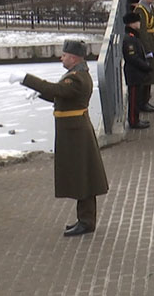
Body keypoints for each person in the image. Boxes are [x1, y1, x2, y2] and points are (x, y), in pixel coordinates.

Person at [10, 40, 109, 237]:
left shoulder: (77, 78)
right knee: (82, 175)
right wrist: (39, 94)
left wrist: (26, 78)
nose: (61, 57)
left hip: (75, 133)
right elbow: (62, 96)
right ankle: (85, 219)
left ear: (73, 58)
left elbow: (58, 90)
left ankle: (86, 221)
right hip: (74, 131)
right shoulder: (76, 75)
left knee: (82, 176)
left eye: (63, 55)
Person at [133, 0, 154, 113]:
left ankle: (146, 100)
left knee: (151, 72)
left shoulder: (150, 7)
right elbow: (143, 31)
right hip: (148, 42)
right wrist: (147, 49)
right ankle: (142, 102)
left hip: (153, 40)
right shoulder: (141, 10)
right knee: (146, 73)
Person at [121, 12, 151, 129]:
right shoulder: (129, 39)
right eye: (137, 21)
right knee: (133, 98)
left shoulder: (133, 36)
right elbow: (132, 57)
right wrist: (145, 66)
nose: (139, 23)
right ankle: (133, 120)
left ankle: (136, 118)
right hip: (133, 73)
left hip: (136, 73)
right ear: (132, 23)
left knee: (136, 97)